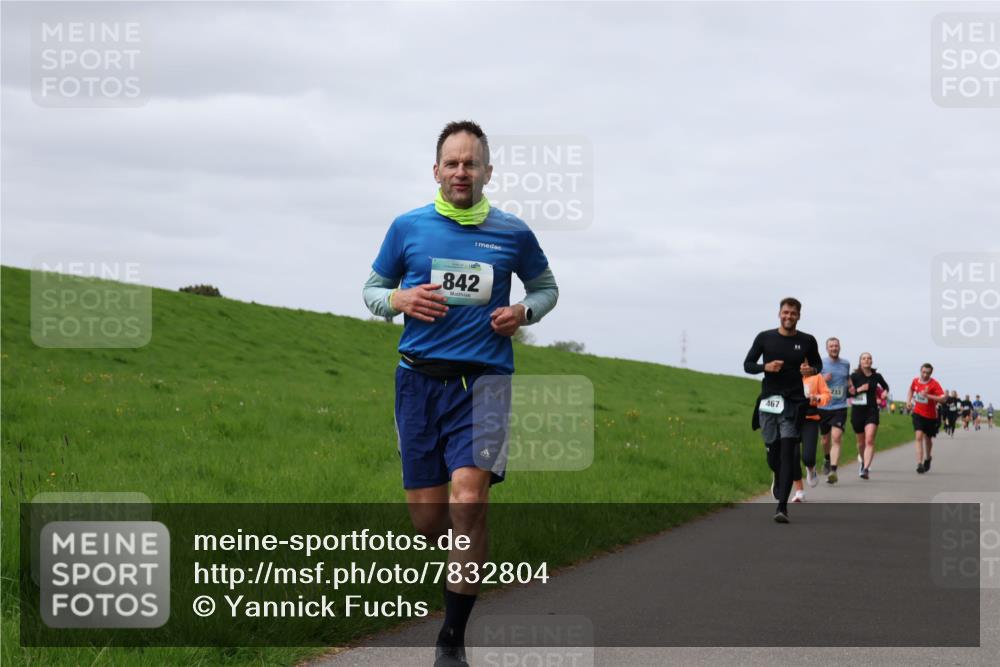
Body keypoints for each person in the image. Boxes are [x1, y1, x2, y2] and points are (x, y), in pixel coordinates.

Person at [363, 121, 559, 667]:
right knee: (430, 523)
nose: (461, 172)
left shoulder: (512, 232)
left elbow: (545, 287)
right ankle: (467, 537)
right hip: (419, 384)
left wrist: (524, 312)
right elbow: (371, 290)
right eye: (452, 163)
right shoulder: (408, 228)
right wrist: (399, 301)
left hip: (485, 384)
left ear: (487, 172)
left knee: (468, 502)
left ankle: (451, 639)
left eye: (471, 163)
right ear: (436, 171)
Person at [744, 297, 822, 523]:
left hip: (794, 403)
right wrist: (764, 367)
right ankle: (777, 474)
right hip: (769, 402)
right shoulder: (765, 338)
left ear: (799, 316)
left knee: (789, 453)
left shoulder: (807, 341)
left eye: (793, 313)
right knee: (774, 455)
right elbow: (748, 365)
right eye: (785, 312)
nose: (789, 316)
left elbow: (818, 364)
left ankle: (782, 508)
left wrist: (810, 369)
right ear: (779, 314)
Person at [848, 352, 889, 480]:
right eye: (864, 358)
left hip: (871, 411)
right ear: (860, 361)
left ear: (871, 361)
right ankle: (862, 462)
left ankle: (866, 469)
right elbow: (847, 394)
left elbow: (885, 386)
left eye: (869, 358)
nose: (867, 360)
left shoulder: (877, 376)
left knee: (869, 440)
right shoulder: (854, 376)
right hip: (857, 412)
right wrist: (859, 389)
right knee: (861, 443)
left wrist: (885, 393)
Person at [791, 370, 831, 502]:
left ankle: (811, 468)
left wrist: (817, 398)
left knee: (807, 457)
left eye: (806, 362)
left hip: (810, 419)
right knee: (793, 456)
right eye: (800, 362)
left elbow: (827, 395)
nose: (803, 365)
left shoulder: (817, 377)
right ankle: (799, 491)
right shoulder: (790, 374)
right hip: (791, 420)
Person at [818, 337, 850, 485]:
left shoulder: (846, 364)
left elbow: (847, 379)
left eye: (836, 346)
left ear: (840, 347)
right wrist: (823, 379)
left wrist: (851, 387)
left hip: (840, 407)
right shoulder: (821, 363)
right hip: (824, 406)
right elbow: (813, 382)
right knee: (825, 439)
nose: (834, 348)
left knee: (836, 438)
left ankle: (833, 471)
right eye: (831, 346)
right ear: (827, 348)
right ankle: (826, 458)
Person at [907, 363, 946, 474]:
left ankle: (928, 458)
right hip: (918, 413)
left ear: (931, 373)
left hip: (930, 416)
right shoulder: (915, 381)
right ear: (920, 371)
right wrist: (908, 401)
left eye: (927, 373)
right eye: (923, 372)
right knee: (918, 436)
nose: (925, 375)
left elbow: (942, 399)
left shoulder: (934, 384)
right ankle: (919, 463)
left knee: (928, 439)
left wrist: (928, 396)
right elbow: (911, 390)